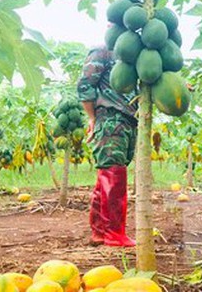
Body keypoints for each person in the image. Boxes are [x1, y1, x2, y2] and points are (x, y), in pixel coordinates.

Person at [78, 39, 137, 247]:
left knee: (108, 174)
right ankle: (114, 233)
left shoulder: (134, 54)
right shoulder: (102, 51)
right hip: (110, 117)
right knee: (113, 174)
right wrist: (92, 118)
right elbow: (85, 85)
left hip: (129, 119)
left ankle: (100, 231)